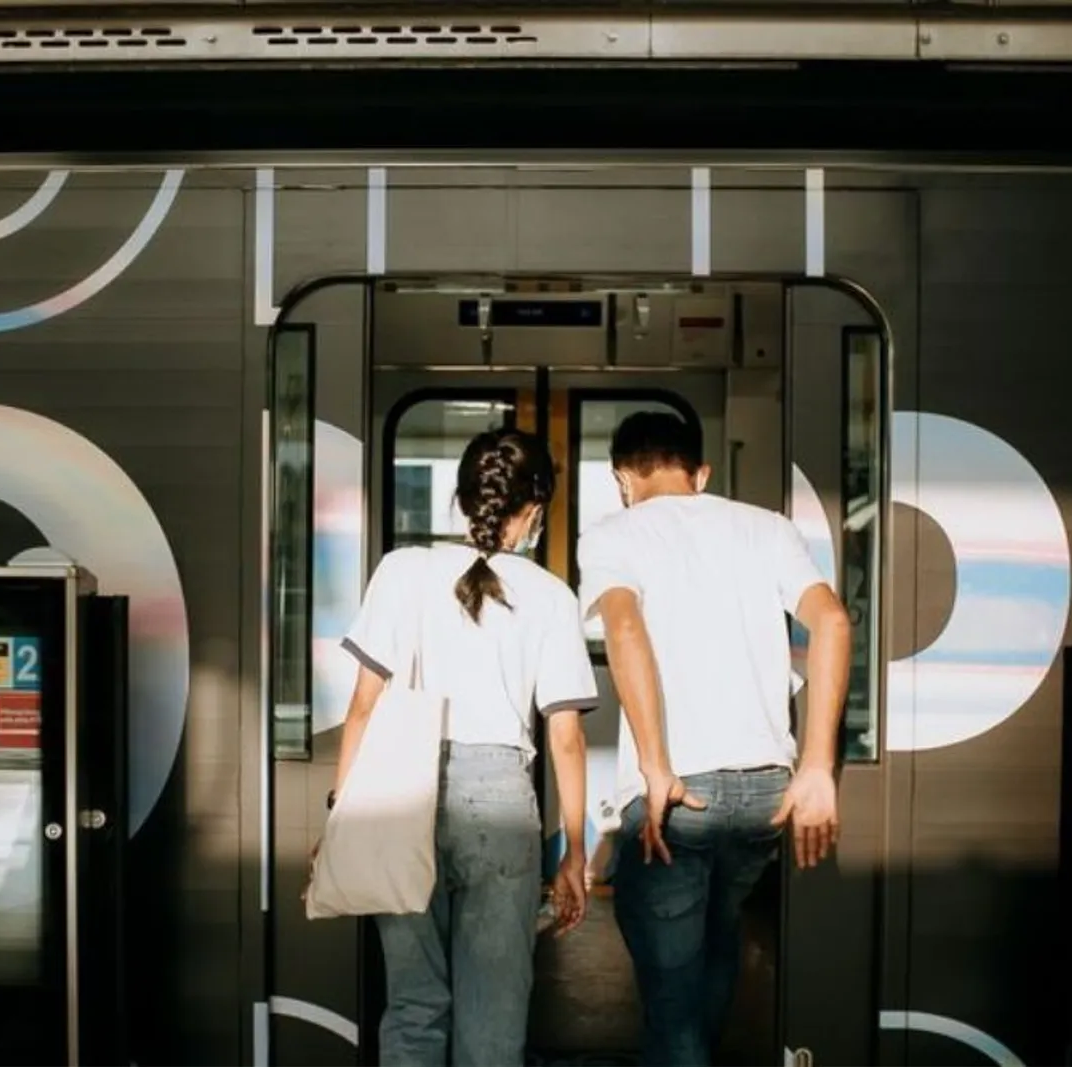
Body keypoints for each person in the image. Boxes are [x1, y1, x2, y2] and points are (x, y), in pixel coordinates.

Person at [577, 411, 852, 1066]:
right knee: (718, 935)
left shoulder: (613, 533)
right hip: (766, 792)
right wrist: (816, 767)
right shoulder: (769, 529)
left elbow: (624, 631)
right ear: (700, 472)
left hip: (680, 793)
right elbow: (834, 623)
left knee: (671, 996)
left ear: (622, 477)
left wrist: (654, 765)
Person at [332, 428, 599, 1067]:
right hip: (500, 802)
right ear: (535, 508)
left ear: (460, 498)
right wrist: (574, 853)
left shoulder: (401, 570)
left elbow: (363, 709)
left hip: (399, 793)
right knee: (495, 1013)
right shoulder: (552, 596)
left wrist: (345, 815)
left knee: (415, 1003)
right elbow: (565, 735)